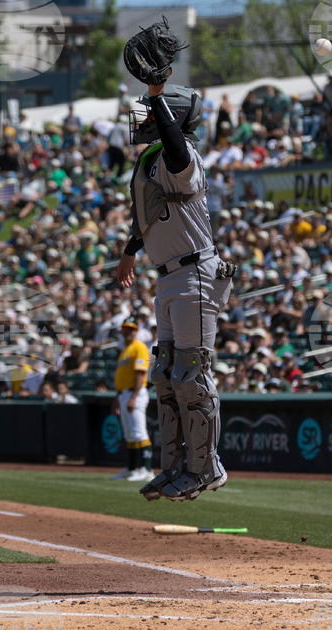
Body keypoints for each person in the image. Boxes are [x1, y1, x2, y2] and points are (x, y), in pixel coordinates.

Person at [117, 50, 234, 501]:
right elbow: (147, 213)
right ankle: (175, 467)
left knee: (193, 377)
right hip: (168, 277)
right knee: (165, 377)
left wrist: (157, 94)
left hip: (196, 275)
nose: (143, 116)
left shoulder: (181, 157)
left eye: (150, 111)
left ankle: (207, 468)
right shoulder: (149, 160)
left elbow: (176, 147)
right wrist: (130, 250)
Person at [109, 318, 153, 483]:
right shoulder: (125, 349)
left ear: (137, 331)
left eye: (131, 329)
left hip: (136, 393)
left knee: (139, 431)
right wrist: (117, 398)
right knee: (130, 434)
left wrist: (133, 397)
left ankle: (147, 469)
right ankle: (132, 468)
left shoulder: (139, 346)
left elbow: (140, 373)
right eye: (125, 328)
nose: (128, 331)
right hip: (123, 394)